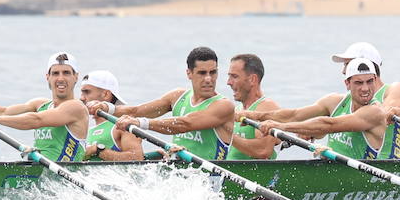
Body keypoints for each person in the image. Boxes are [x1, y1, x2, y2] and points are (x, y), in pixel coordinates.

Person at [245, 46, 400, 160]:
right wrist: (252, 115)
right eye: (358, 82)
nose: (343, 69)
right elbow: (294, 114)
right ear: (348, 82)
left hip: (374, 175)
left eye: (347, 63)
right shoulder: (336, 100)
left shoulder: (376, 108)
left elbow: (328, 124)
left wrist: (281, 127)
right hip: (339, 171)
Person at [104, 46, 235, 160]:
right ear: (189, 73)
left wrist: (140, 123)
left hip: (210, 179)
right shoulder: (177, 96)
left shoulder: (223, 105)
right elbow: (137, 111)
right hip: (179, 174)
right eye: (202, 73)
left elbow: (185, 124)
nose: (208, 79)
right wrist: (107, 107)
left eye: (213, 72)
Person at [0, 51, 89, 162]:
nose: (60, 78)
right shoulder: (40, 104)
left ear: (76, 77)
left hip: (66, 177)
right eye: (55, 73)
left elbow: (36, 120)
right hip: (40, 173)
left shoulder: (76, 108)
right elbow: (4, 111)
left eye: (66, 73)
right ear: (47, 77)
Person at [226, 53, 280, 160]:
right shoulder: (237, 110)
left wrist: (226, 133)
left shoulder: (267, 108)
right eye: (229, 76)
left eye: (234, 76)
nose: (229, 82)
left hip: (258, 176)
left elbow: (263, 150)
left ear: (252, 79)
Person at [77, 69, 125, 161]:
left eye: (87, 92)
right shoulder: (88, 129)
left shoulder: (122, 124)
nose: (81, 98)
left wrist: (98, 150)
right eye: (82, 92)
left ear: (106, 94)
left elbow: (136, 157)